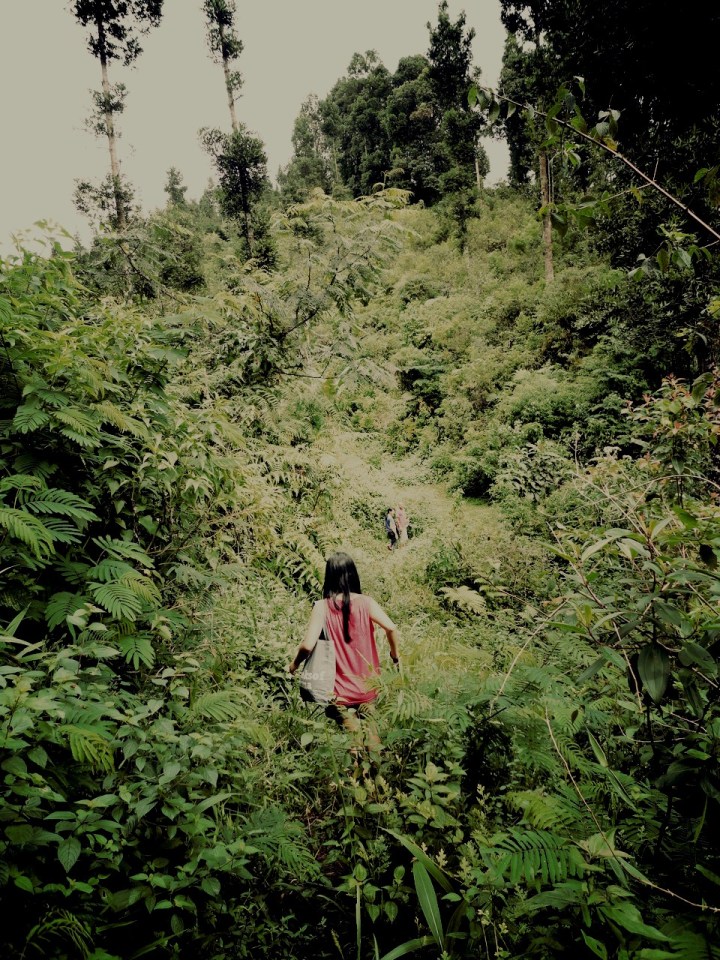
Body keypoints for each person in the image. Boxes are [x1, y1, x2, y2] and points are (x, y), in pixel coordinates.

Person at [289, 553, 399, 741]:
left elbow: (307, 646)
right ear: (353, 575)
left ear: (329, 577)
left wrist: (294, 665)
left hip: (338, 692)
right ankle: (374, 761)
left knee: (353, 738)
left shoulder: (322, 607)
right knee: (371, 734)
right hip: (367, 687)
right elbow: (391, 628)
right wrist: (394, 656)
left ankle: (356, 758)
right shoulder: (367, 603)